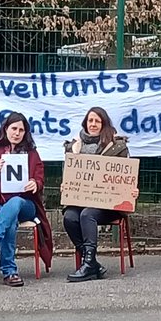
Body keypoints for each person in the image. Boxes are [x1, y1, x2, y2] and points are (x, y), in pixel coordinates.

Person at [0, 112, 53, 287]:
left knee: (16, 202)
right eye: (14, 128)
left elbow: (40, 178)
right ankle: (9, 272)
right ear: (6, 129)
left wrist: (35, 183)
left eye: (21, 130)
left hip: (26, 205)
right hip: (1, 205)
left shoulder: (32, 154)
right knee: (9, 221)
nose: (17, 133)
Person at [62, 107, 131, 283]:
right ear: (85, 122)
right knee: (69, 217)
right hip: (79, 201)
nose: (93, 124)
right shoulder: (73, 147)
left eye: (97, 121)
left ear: (104, 124)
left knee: (87, 214)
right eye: (90, 120)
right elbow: (68, 174)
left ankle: (88, 264)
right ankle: (91, 262)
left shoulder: (117, 147)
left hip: (108, 205)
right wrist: (66, 185)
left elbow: (126, 177)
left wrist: (131, 190)